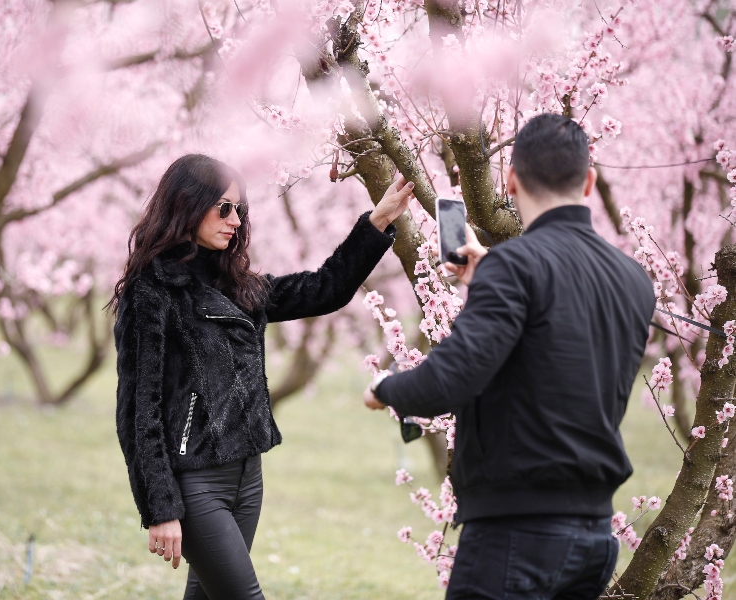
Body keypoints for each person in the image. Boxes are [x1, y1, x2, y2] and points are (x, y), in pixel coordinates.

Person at [364, 114, 655, 599]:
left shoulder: (515, 267)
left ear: (512, 180)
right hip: (594, 537)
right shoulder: (632, 277)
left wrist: (384, 387)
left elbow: (447, 383)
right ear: (588, 181)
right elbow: (560, 352)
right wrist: (492, 278)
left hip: (517, 531)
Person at [110, 153, 414, 600]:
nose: (235, 221)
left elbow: (324, 288)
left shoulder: (237, 284)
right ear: (187, 204)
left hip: (247, 478)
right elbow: (139, 411)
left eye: (239, 209)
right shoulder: (152, 292)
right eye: (224, 208)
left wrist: (378, 220)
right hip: (195, 483)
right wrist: (160, 507)